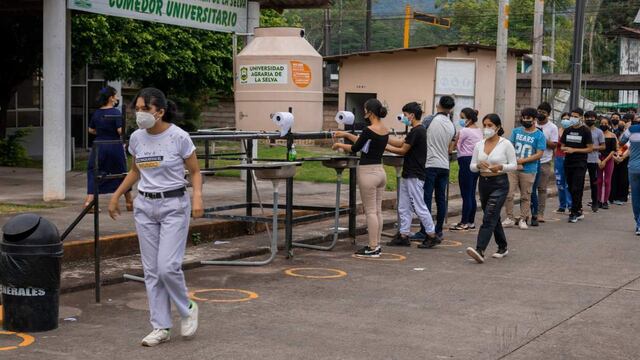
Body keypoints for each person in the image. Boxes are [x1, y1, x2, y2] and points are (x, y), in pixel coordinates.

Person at [108, 88, 202, 347]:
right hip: (145, 207)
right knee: (151, 271)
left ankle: (187, 308)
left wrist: (197, 198)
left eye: (145, 109)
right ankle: (160, 327)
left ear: (159, 112)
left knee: (167, 267)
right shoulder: (137, 138)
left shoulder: (179, 137)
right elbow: (135, 171)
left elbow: (194, 171)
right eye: (137, 109)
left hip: (174, 205)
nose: (139, 114)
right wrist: (117, 195)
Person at [333, 98, 389, 257]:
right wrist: (345, 134)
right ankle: (377, 244)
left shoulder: (368, 130)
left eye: (365, 109)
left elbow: (356, 148)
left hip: (367, 172)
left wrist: (339, 144)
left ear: (370, 112)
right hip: (380, 171)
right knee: (378, 211)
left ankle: (372, 247)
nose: (364, 112)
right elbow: (363, 142)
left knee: (370, 211)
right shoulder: (384, 130)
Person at [384, 102, 439, 248]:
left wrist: (383, 145)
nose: (404, 117)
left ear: (412, 115)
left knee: (419, 206)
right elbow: (401, 142)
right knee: (404, 206)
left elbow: (402, 150)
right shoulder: (415, 130)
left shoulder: (418, 131)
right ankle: (403, 235)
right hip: (409, 173)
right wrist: (383, 137)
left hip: (415, 174)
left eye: (406, 115)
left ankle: (432, 234)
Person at [466, 114, 517, 264]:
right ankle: (502, 246)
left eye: (490, 125)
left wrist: (501, 166)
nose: (487, 128)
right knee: (493, 216)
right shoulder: (479, 144)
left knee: (488, 216)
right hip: (483, 182)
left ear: (498, 127)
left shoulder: (506, 144)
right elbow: (472, 166)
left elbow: (514, 164)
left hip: (500, 183)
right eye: (485, 125)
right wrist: (478, 166)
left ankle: (480, 249)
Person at [412, 95, 456, 243]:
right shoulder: (452, 125)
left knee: (426, 199)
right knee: (441, 199)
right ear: (451, 108)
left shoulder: (429, 120)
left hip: (430, 164)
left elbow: (419, 134)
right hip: (445, 165)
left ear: (438, 105)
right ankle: (438, 230)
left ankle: (425, 230)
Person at [85, 86, 132, 212]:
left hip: (99, 145)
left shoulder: (97, 113)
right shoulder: (116, 112)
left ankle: (89, 202)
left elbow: (91, 130)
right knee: (121, 172)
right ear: (111, 98)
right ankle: (129, 202)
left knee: (93, 172)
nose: (117, 98)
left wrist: (102, 133)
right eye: (115, 95)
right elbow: (120, 131)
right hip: (114, 145)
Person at [502, 108, 545, 230]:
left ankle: (523, 218)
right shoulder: (516, 131)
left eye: (528, 118)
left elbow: (539, 154)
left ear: (534, 119)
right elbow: (510, 146)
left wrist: (523, 161)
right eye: (524, 117)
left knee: (526, 195)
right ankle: (510, 217)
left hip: (529, 169)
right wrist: (513, 160)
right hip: (513, 168)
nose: (525, 120)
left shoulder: (539, 135)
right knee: (509, 194)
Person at [450, 108, 483, 231]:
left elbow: (452, 148)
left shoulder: (464, 131)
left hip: (465, 162)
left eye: (462, 117)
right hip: (476, 162)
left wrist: (454, 139)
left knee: (466, 194)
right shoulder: (479, 130)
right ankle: (470, 221)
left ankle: (464, 222)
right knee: (471, 193)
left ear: (469, 119)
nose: (461, 120)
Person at [561, 107, 593, 223]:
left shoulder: (586, 131)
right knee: (570, 187)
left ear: (581, 118)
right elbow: (562, 145)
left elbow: (590, 148)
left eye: (575, 116)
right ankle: (579, 210)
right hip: (568, 162)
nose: (573, 118)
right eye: (571, 116)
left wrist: (574, 150)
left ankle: (573, 212)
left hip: (580, 163)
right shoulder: (567, 130)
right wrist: (566, 149)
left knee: (576, 187)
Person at [530, 102, 558, 226]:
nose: (540, 113)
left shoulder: (552, 127)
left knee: (541, 189)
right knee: (529, 189)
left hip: (544, 161)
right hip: (530, 161)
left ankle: (540, 213)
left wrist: (541, 137)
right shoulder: (531, 123)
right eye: (539, 110)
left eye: (543, 112)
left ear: (548, 114)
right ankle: (529, 212)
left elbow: (554, 145)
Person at [619, 116, 640, 235]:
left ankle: (638, 224)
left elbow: (621, 142)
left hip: (634, 168)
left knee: (636, 197)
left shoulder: (632, 129)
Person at [584, 110, 605, 213]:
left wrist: (592, 147)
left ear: (595, 119)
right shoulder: (582, 129)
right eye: (587, 118)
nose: (589, 119)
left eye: (592, 118)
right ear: (584, 118)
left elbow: (603, 146)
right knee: (579, 182)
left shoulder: (599, 132)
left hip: (593, 160)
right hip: (581, 159)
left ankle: (595, 202)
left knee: (594, 182)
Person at [610, 113, 632, 205]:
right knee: (613, 177)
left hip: (625, 158)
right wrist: (615, 156)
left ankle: (622, 197)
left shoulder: (632, 133)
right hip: (614, 157)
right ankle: (612, 197)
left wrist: (622, 157)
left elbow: (631, 147)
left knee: (623, 178)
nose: (625, 123)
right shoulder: (614, 132)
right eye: (623, 121)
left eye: (627, 122)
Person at [596, 116, 617, 209]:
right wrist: (598, 160)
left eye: (605, 123)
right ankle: (598, 200)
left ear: (608, 124)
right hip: (597, 159)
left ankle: (605, 201)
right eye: (602, 123)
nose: (603, 125)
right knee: (599, 181)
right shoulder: (596, 134)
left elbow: (613, 150)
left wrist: (604, 160)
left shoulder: (612, 135)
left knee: (607, 181)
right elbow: (593, 148)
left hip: (608, 159)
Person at [554, 112, 573, 214]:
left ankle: (570, 205)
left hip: (570, 158)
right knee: (559, 182)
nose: (565, 120)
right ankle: (562, 205)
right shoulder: (557, 131)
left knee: (568, 183)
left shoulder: (572, 132)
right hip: (559, 158)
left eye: (568, 119)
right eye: (564, 118)